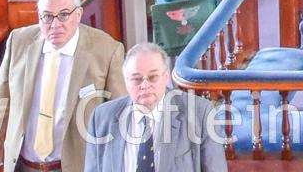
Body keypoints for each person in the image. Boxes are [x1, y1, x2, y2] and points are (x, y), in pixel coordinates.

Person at [0, 0, 127, 171]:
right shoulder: (19, 42)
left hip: (77, 166)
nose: (55, 25)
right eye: (47, 17)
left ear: (78, 14)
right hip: (23, 165)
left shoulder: (106, 50)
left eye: (64, 15)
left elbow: (120, 115)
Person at [84, 42, 225, 171]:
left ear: (166, 77)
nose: (145, 85)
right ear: (126, 81)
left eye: (153, 77)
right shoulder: (102, 117)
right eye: (136, 79)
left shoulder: (200, 114)